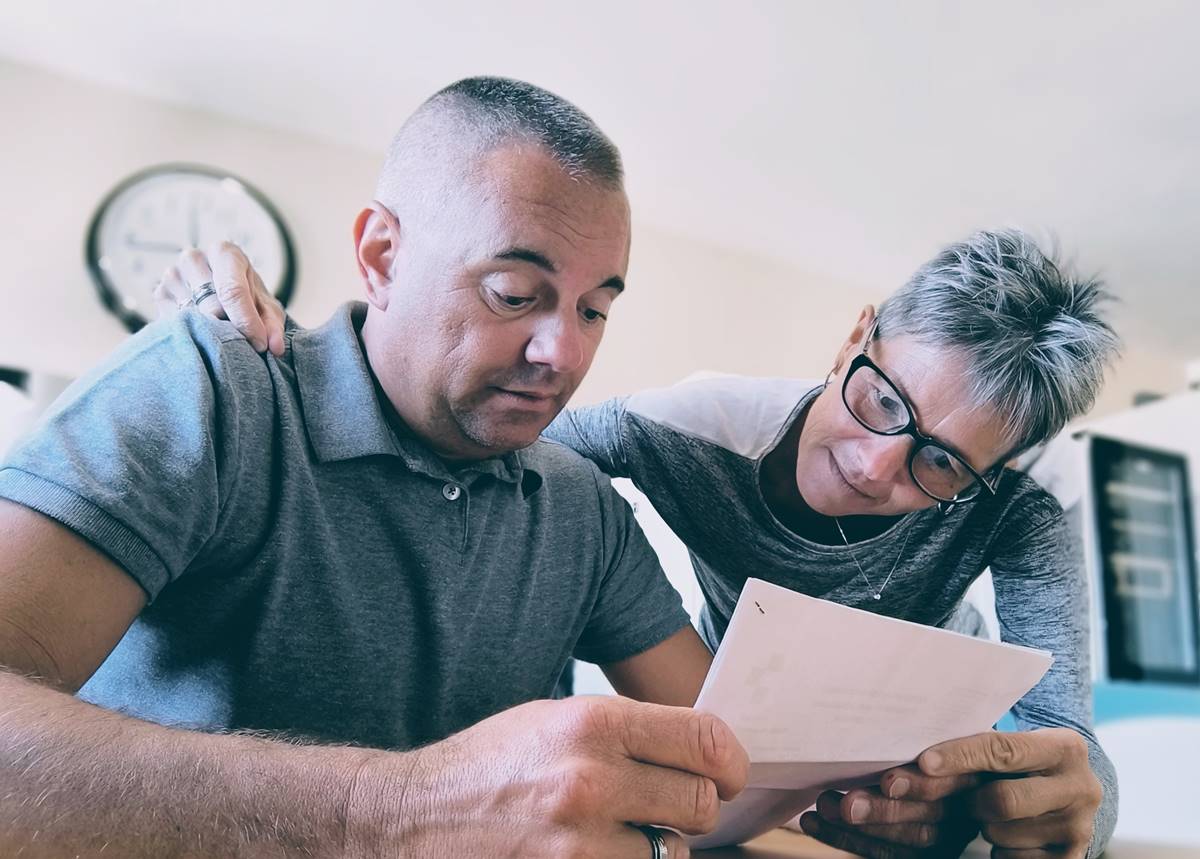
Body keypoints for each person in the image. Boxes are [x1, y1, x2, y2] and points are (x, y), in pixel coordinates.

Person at [0, 77, 751, 858]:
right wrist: (387, 812)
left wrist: (868, 797)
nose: (562, 352)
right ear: (382, 256)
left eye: (594, 309)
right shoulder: (212, 392)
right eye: (514, 292)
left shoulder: (583, 510)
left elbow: (732, 765)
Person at [207, 229, 1120, 859]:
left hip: (922, 746)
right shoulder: (693, 427)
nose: (878, 466)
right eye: (883, 400)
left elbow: (1070, 747)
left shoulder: (1021, 510)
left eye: (939, 464)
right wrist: (302, 358)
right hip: (742, 729)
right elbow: (478, 434)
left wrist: (1066, 816)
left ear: (987, 473)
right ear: (855, 338)